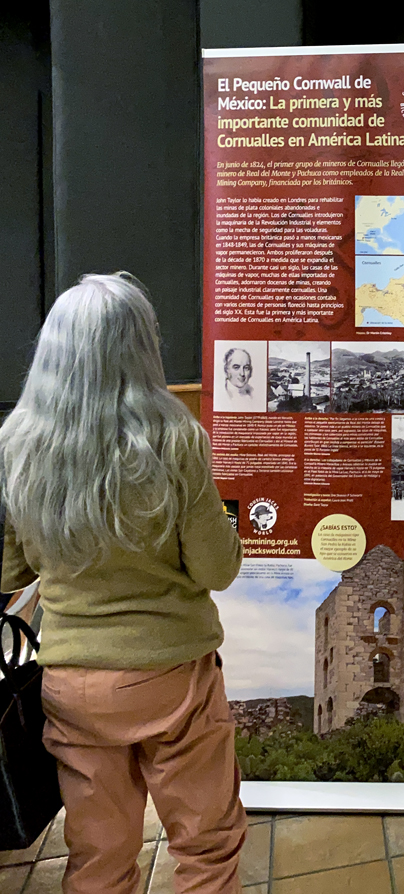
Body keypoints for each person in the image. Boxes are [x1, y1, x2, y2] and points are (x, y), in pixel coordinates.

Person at [0, 273, 246, 894]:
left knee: (98, 856)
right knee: (206, 847)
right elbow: (217, 569)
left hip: (71, 684)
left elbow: (9, 573)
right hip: (174, 681)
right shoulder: (175, 438)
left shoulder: (16, 443)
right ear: (143, 347)